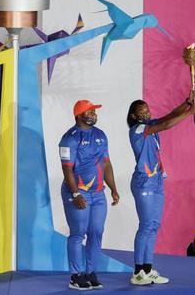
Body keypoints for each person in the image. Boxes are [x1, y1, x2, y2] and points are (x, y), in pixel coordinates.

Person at [127, 95, 195, 286]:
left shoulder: (150, 124)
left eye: (147, 109)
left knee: (154, 226)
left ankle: (147, 269)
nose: (146, 113)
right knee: (146, 225)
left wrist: (185, 105)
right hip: (144, 182)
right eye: (141, 111)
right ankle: (137, 272)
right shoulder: (138, 129)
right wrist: (189, 114)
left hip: (156, 180)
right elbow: (166, 126)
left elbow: (168, 117)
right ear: (134, 116)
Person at [59, 99, 120, 291]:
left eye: (95, 111)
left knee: (96, 232)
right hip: (78, 193)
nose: (94, 114)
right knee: (78, 234)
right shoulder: (69, 138)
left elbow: (106, 164)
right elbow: (67, 170)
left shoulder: (100, 135)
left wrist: (113, 188)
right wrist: (75, 193)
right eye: (90, 111)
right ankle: (76, 276)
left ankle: (90, 272)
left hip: (98, 194)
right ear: (78, 115)